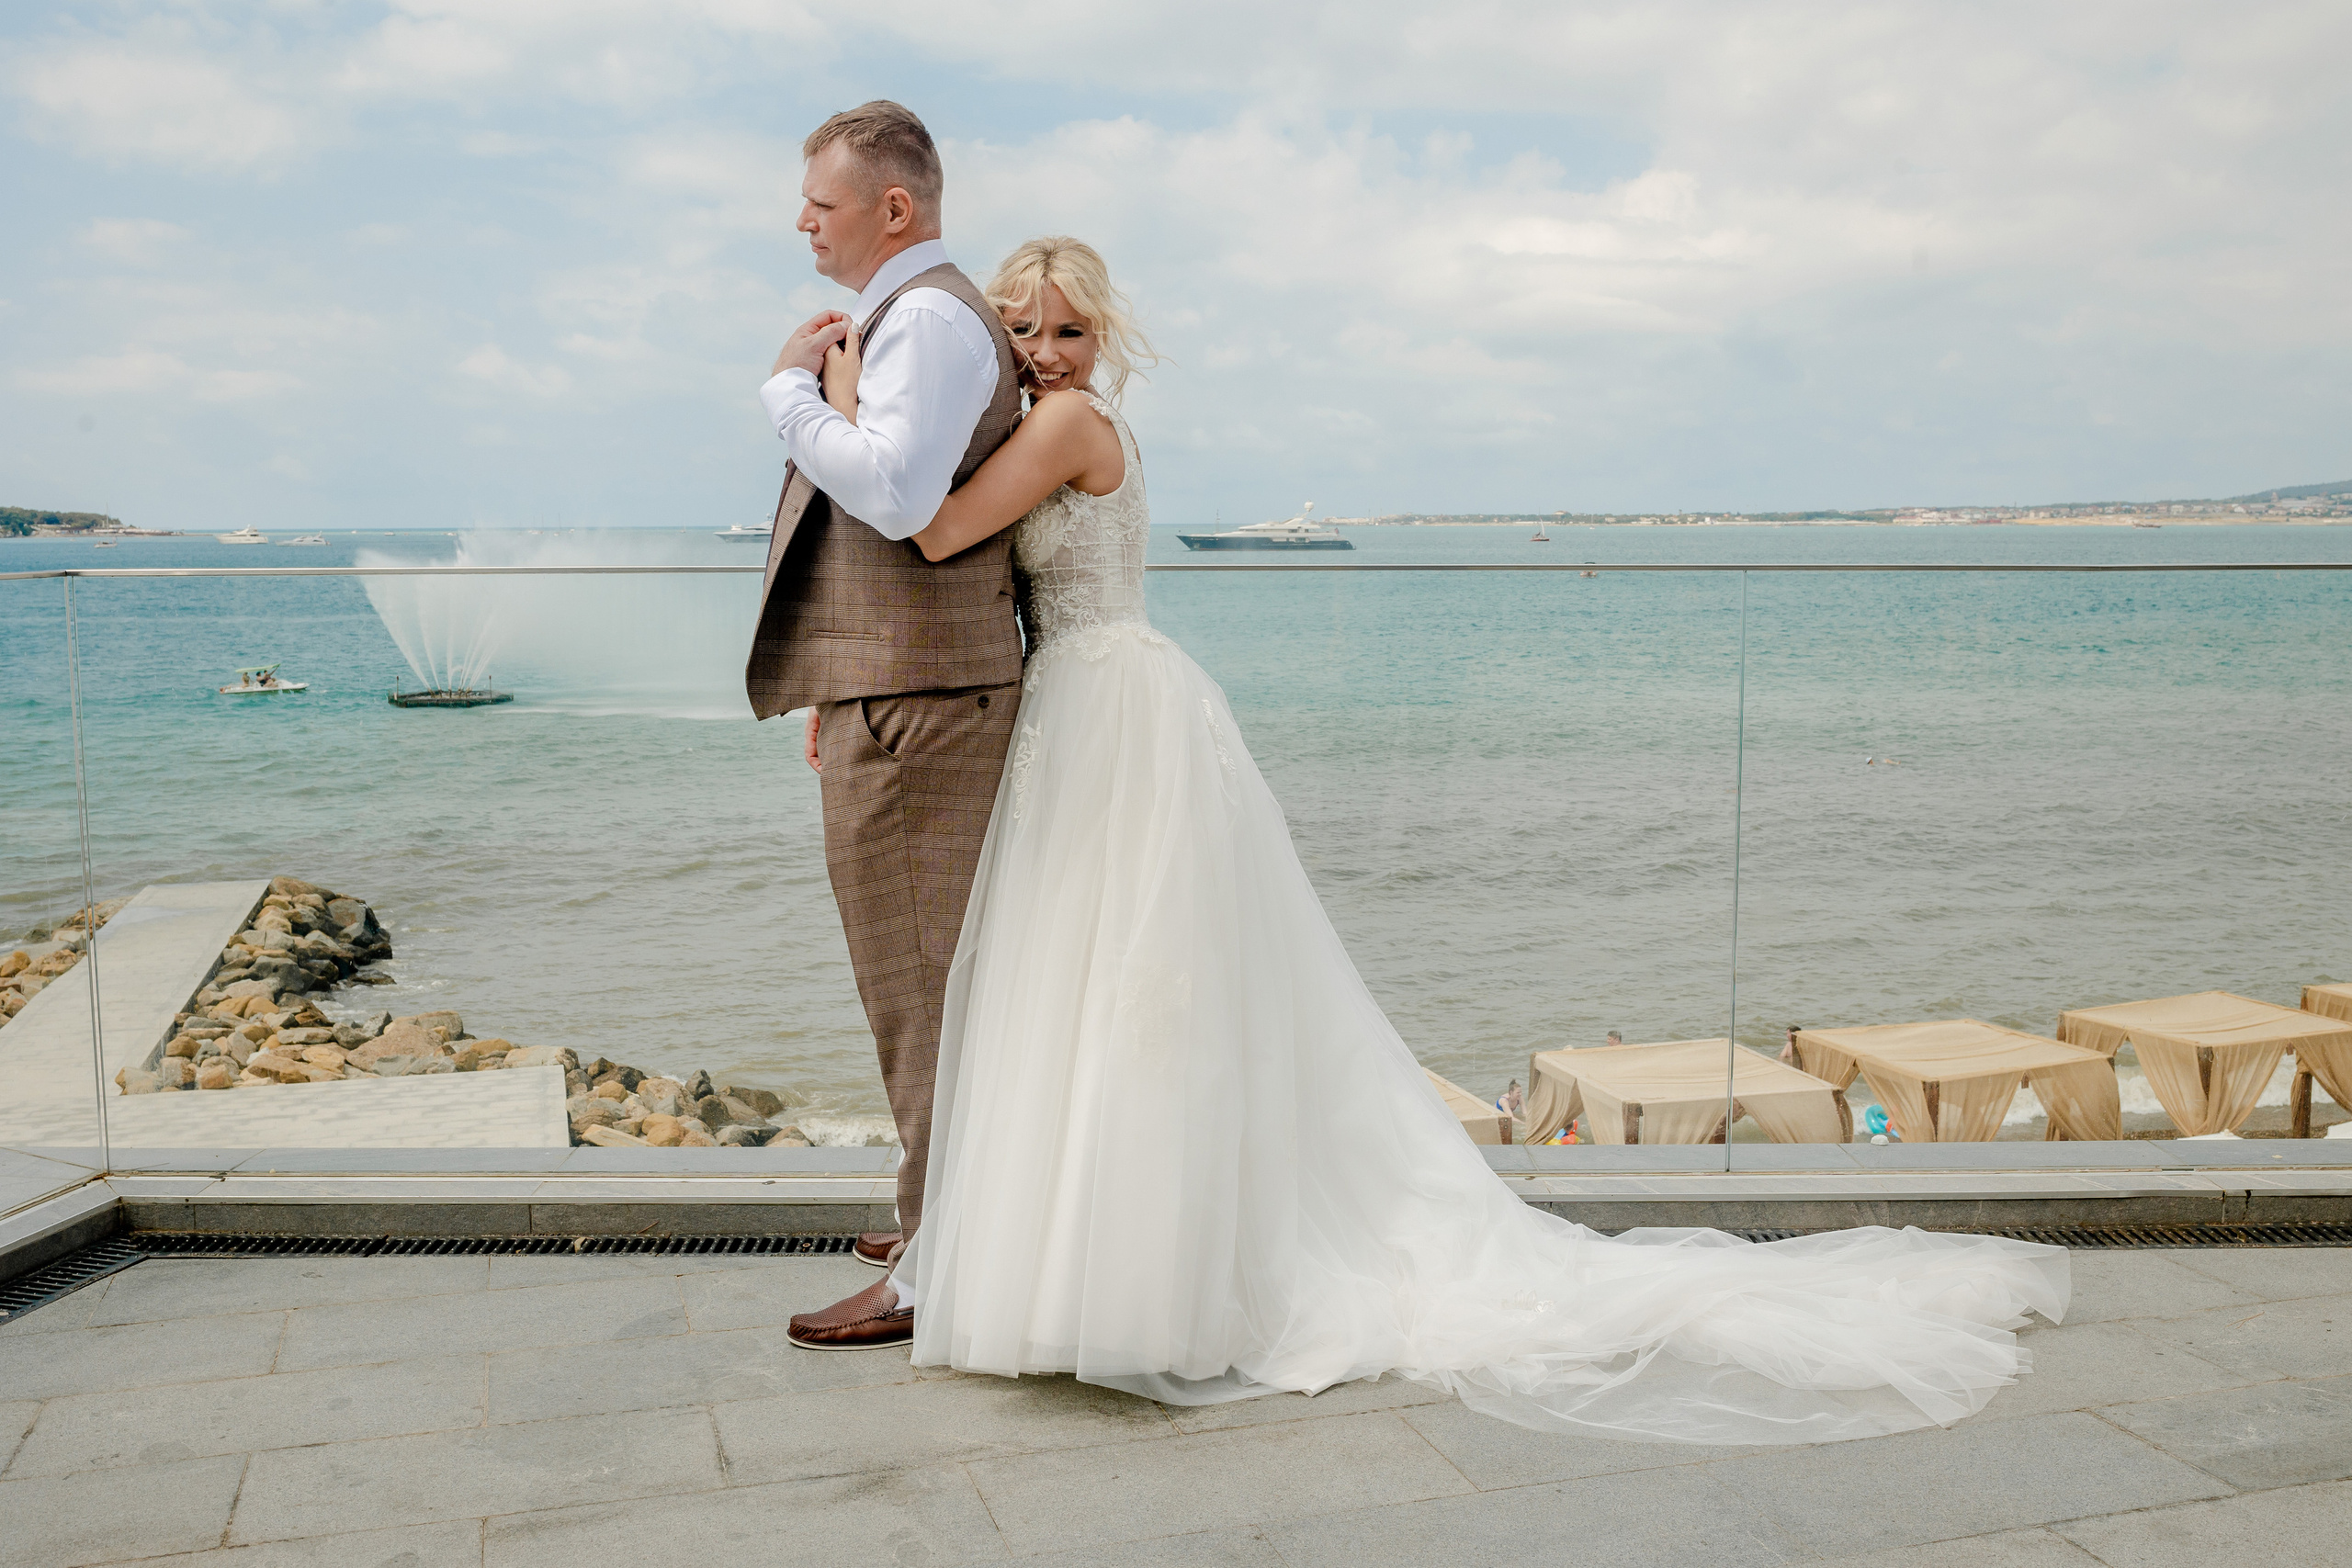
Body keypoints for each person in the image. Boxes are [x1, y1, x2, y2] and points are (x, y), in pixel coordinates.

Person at [813, 236, 2071, 1441]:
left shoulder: (1068, 427)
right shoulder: (1055, 422)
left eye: (1070, 330)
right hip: (1087, 709)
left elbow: (931, 527)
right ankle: (1079, 1254)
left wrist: (840, 397)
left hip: (1104, 713)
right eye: (1023, 329)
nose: (1045, 349)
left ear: (1106, 339)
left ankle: (1113, 1270)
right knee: (1101, 992)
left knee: (1118, 990)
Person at [746, 102, 1026, 1351]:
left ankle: (934, 1267)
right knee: (922, 983)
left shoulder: (923, 321)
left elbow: (898, 495)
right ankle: (948, 1214)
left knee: (918, 991)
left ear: (894, 208)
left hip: (919, 709)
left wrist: (784, 392)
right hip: (898, 691)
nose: (803, 222)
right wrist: (834, 679)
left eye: (822, 201)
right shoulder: (918, 318)